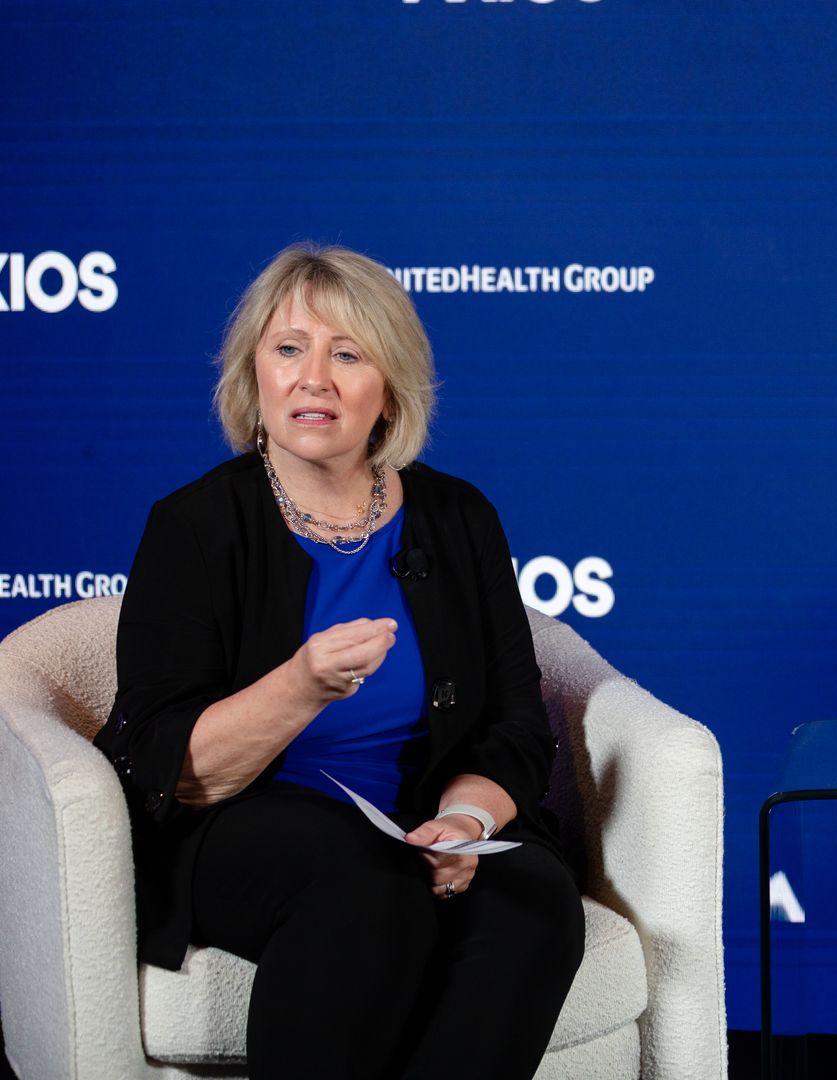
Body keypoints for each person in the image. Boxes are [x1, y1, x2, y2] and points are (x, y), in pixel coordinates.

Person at [95, 242, 585, 1079]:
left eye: (348, 355)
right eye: (290, 349)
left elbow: (514, 721)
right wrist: (301, 686)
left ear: (390, 389)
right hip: (243, 826)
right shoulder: (193, 527)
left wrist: (467, 822)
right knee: (369, 887)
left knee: (532, 902)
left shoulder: (459, 518)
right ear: (255, 374)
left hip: (424, 812)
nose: (313, 378)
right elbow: (172, 768)